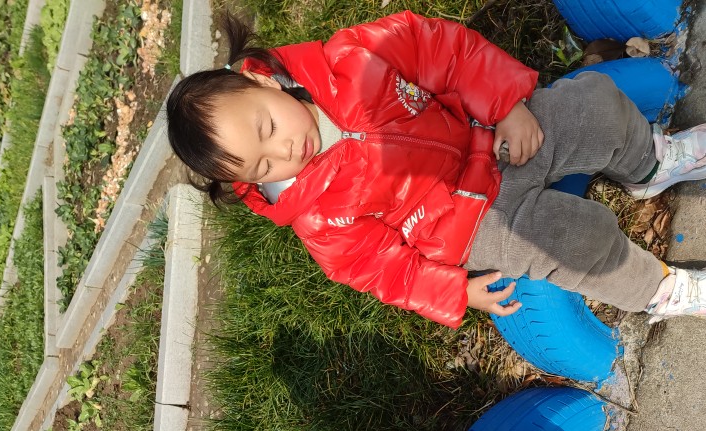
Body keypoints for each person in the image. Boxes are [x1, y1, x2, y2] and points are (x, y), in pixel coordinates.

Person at [166, 11, 706, 329]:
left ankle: (650, 164)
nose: (285, 151)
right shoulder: (319, 219)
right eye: (263, 165)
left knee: (594, 106)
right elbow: (382, 269)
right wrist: (454, 292)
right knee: (570, 242)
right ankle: (658, 291)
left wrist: (504, 103)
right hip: (473, 224)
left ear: (262, 81)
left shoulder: (350, 59)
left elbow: (443, 51)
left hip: (487, 133)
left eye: (267, 127)